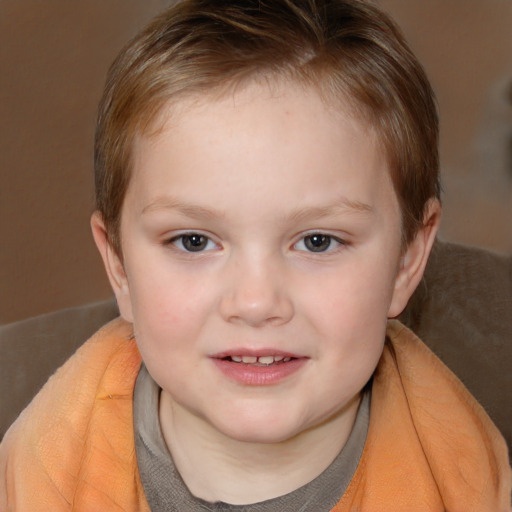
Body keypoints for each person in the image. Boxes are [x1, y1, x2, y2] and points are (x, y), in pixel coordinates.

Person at [0, 0, 510, 510]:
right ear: (119, 267)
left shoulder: (463, 481)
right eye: (193, 241)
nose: (255, 302)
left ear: (406, 261)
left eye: (317, 241)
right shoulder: (42, 473)